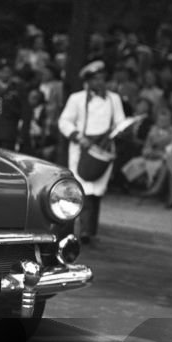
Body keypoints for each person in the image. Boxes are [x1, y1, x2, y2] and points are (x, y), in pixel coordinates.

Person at [57, 60, 128, 243]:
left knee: (97, 190)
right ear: (87, 81)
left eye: (102, 79)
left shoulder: (114, 99)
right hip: (83, 146)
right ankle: (80, 229)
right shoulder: (77, 98)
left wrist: (120, 131)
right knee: (82, 186)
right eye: (95, 79)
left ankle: (90, 230)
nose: (100, 83)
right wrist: (79, 137)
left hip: (103, 148)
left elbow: (120, 121)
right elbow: (64, 121)